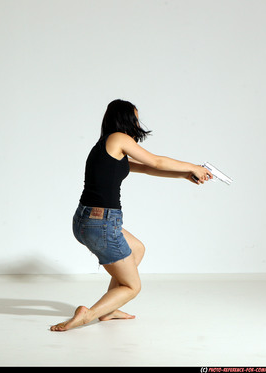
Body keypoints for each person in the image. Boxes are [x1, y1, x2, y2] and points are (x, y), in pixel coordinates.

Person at [50, 99, 212, 331]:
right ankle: (89, 314)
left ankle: (109, 309)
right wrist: (194, 166)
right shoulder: (118, 138)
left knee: (137, 248)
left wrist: (185, 174)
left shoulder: (107, 147)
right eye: (135, 117)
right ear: (124, 118)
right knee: (132, 287)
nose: (137, 122)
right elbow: (156, 160)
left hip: (85, 220)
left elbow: (148, 168)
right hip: (102, 222)